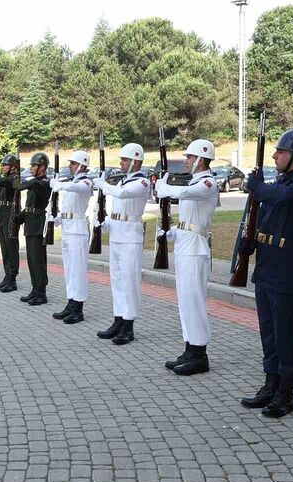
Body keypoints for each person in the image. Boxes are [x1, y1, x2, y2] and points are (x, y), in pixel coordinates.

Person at [240, 129, 293, 418]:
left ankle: (286, 392)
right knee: (268, 330)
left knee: (286, 331)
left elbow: (285, 197)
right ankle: (270, 383)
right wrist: (249, 239)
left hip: (289, 267)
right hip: (267, 265)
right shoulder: (278, 183)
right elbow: (264, 214)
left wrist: (257, 188)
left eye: (281, 151)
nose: (275, 155)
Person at [156, 140, 220, 375]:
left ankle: (200, 354)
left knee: (194, 301)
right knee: (185, 301)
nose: (186, 161)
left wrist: (163, 187)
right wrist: (171, 232)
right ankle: (189, 348)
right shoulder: (194, 180)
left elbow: (184, 192)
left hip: (195, 249)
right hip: (184, 245)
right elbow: (187, 220)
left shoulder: (207, 182)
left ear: (201, 160)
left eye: (190, 158)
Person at [93, 143, 151, 345]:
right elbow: (117, 209)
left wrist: (103, 185)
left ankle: (129, 325)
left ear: (136, 161)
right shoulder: (122, 182)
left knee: (129, 282)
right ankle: (118, 319)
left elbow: (122, 195)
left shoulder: (142, 182)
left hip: (130, 238)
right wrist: (104, 222)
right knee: (117, 281)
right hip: (117, 236)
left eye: (124, 160)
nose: (121, 163)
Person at [50, 150, 93, 324]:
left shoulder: (86, 182)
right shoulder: (72, 182)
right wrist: (57, 217)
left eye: (73, 164)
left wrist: (59, 184)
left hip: (78, 231)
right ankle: (70, 302)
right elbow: (68, 207)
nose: (70, 166)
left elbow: (77, 188)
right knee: (69, 270)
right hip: (68, 230)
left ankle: (78, 308)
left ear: (82, 165)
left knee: (78, 271)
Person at [17, 152, 52, 306]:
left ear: (42, 167)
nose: (31, 168)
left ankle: (41, 292)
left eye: (34, 165)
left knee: (38, 259)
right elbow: (30, 205)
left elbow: (36, 185)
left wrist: (21, 184)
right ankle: (35, 289)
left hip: (38, 224)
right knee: (31, 259)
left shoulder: (44, 182)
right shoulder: (36, 181)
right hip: (30, 222)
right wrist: (21, 216)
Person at [0, 154, 21, 292]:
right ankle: (7, 275)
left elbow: (5, 182)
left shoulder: (14, 179)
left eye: (5, 165)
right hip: (3, 214)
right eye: (2, 165)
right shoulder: (5, 179)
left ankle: (12, 279)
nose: (2, 167)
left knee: (11, 247)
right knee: (4, 247)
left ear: (13, 167)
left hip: (11, 214)